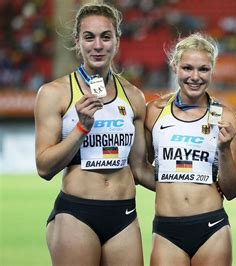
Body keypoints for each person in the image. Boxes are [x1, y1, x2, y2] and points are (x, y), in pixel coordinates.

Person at [34, 2, 153, 265]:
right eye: (89, 37)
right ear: (77, 41)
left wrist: (190, 183)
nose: (97, 45)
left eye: (105, 37)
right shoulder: (54, 93)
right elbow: (44, 167)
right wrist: (81, 128)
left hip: (124, 214)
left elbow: (141, 169)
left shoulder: (133, 96)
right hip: (77, 214)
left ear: (117, 41)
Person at [144, 32, 236, 265]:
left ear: (213, 69)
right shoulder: (154, 111)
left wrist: (226, 149)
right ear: (175, 67)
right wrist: (173, 182)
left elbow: (231, 191)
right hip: (167, 228)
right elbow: (140, 167)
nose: (195, 77)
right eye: (187, 68)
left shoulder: (227, 117)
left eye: (203, 69)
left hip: (212, 227)